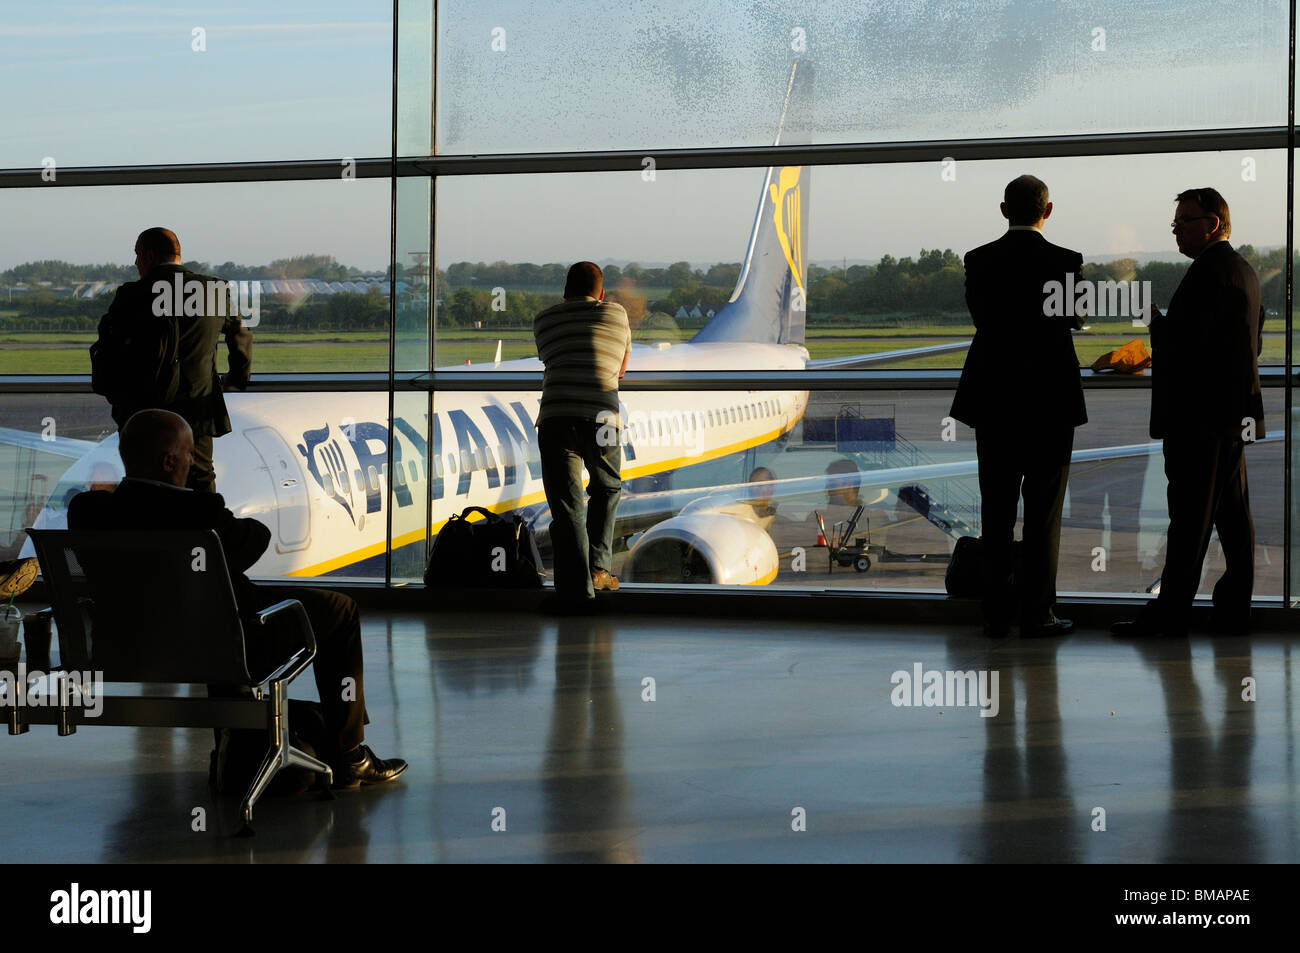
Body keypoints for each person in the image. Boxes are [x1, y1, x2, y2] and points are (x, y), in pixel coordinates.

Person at [67, 409, 406, 788]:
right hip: (215, 645)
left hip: (125, 648)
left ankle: (242, 751)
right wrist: (193, 493)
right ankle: (349, 755)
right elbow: (251, 542)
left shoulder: (86, 511)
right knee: (339, 611)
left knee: (207, 620)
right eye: (189, 454)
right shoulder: (199, 511)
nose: (193, 461)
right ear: (170, 461)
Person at [1112, 188, 1263, 638]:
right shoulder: (1241, 270)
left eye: (1183, 221)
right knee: (1233, 521)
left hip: (1201, 421)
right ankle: (1233, 611)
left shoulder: (1209, 273)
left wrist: (1149, 318)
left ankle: (1169, 615)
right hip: (1231, 417)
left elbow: (1185, 348)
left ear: (1211, 224)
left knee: (1189, 522)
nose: (1176, 230)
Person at [949, 175, 1087, 638]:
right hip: (1050, 403)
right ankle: (1038, 613)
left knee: (997, 511)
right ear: (1048, 211)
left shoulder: (979, 260)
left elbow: (982, 318)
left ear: (1004, 210)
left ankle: (996, 614)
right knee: (1043, 514)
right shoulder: (1066, 262)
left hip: (995, 402)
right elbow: (1076, 318)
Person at [94, 227, 252, 493]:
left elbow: (108, 349)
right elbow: (239, 335)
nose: (135, 264)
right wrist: (237, 377)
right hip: (197, 405)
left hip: (143, 408)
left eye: (137, 256)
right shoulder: (212, 289)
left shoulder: (131, 295)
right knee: (201, 475)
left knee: (143, 480)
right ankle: (203, 532)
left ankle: (155, 534)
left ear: (149, 255)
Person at [533, 262, 631, 606]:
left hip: (556, 418)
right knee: (606, 488)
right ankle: (599, 570)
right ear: (601, 294)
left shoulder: (544, 320)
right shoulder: (616, 314)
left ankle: (575, 593)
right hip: (602, 418)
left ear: (564, 292)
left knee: (567, 506)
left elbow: (551, 359)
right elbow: (619, 368)